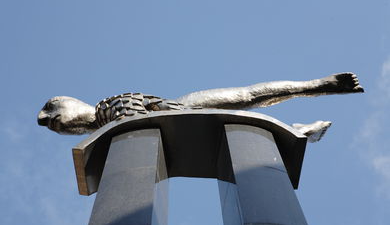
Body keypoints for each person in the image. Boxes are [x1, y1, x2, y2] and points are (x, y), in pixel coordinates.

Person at [37, 72, 363, 142]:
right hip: (178, 132)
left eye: (51, 107)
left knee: (246, 96)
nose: (46, 117)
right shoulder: (106, 136)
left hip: (179, 108)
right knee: (233, 133)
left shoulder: (108, 107)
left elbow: (135, 119)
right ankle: (297, 133)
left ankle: (319, 86)